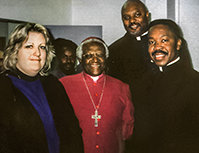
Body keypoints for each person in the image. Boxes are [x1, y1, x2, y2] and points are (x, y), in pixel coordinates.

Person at [0, 23, 84, 153]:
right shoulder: (3, 86)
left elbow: (73, 130)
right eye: (29, 46)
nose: (37, 53)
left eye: (42, 47)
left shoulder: (52, 83)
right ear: (15, 51)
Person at [125, 19, 199, 153]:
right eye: (152, 42)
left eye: (164, 40)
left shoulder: (195, 82)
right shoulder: (140, 83)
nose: (157, 47)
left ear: (178, 44)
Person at [60, 37, 135, 153]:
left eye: (100, 55)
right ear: (80, 59)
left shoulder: (121, 87)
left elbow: (127, 125)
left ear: (106, 58)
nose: (95, 60)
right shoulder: (64, 84)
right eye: (88, 56)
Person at [108, 0, 150, 84]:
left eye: (137, 15)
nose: (132, 21)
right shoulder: (114, 50)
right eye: (126, 18)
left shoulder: (161, 44)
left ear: (147, 15)